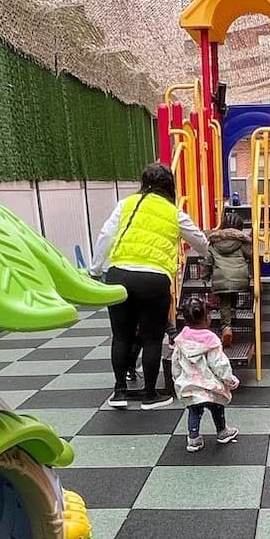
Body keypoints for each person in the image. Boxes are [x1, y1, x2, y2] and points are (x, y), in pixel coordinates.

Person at [91, 163, 210, 408]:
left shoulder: (125, 204)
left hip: (119, 275)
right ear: (169, 186)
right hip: (153, 279)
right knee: (151, 338)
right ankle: (149, 395)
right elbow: (199, 239)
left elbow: (105, 235)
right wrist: (208, 254)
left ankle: (120, 391)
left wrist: (95, 269)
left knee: (121, 336)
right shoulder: (173, 211)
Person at [171, 294, 239, 451]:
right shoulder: (211, 340)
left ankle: (193, 439)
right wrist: (230, 380)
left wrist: (177, 378)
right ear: (207, 317)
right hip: (210, 386)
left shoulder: (181, 339)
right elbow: (219, 364)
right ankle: (222, 431)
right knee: (217, 407)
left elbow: (176, 362)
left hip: (189, 384)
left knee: (194, 411)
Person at [205, 206, 254, 349]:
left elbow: (208, 261)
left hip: (221, 278)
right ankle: (232, 313)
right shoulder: (241, 242)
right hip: (240, 277)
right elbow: (250, 255)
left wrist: (205, 276)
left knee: (224, 300)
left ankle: (226, 327)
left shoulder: (214, 242)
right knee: (234, 290)